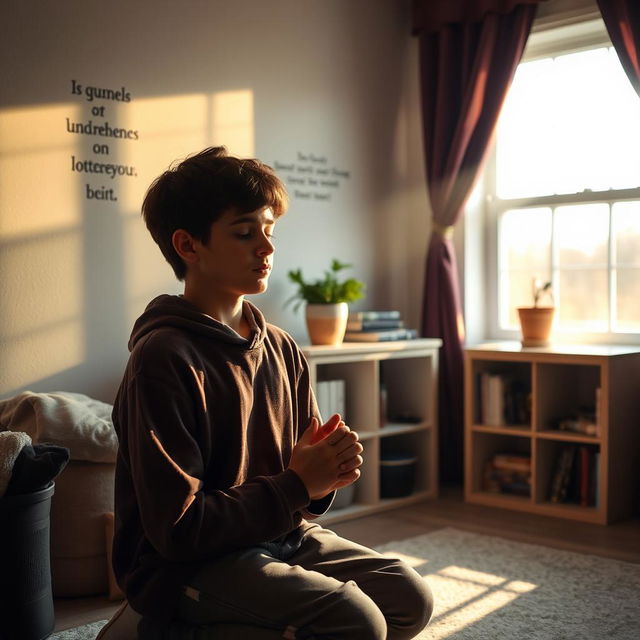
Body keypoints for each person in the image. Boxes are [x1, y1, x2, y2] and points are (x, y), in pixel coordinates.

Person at [98, 147, 433, 640]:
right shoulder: (162, 358)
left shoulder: (280, 346)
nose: (266, 248)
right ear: (188, 246)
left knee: (409, 599)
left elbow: (304, 484)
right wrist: (299, 483)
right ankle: (152, 629)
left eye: (269, 231)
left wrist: (327, 470)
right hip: (184, 566)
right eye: (244, 233)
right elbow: (178, 531)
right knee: (356, 623)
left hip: (279, 536)